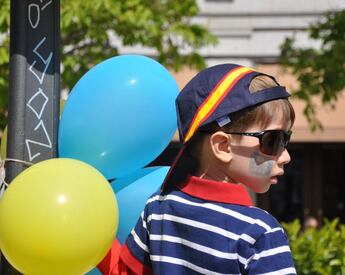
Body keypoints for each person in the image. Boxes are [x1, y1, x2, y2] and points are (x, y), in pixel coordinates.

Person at [98, 63, 297, 274]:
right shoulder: (260, 232)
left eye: (286, 140)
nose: (286, 156)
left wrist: (91, 227)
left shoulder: (158, 208)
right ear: (222, 146)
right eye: (273, 141)